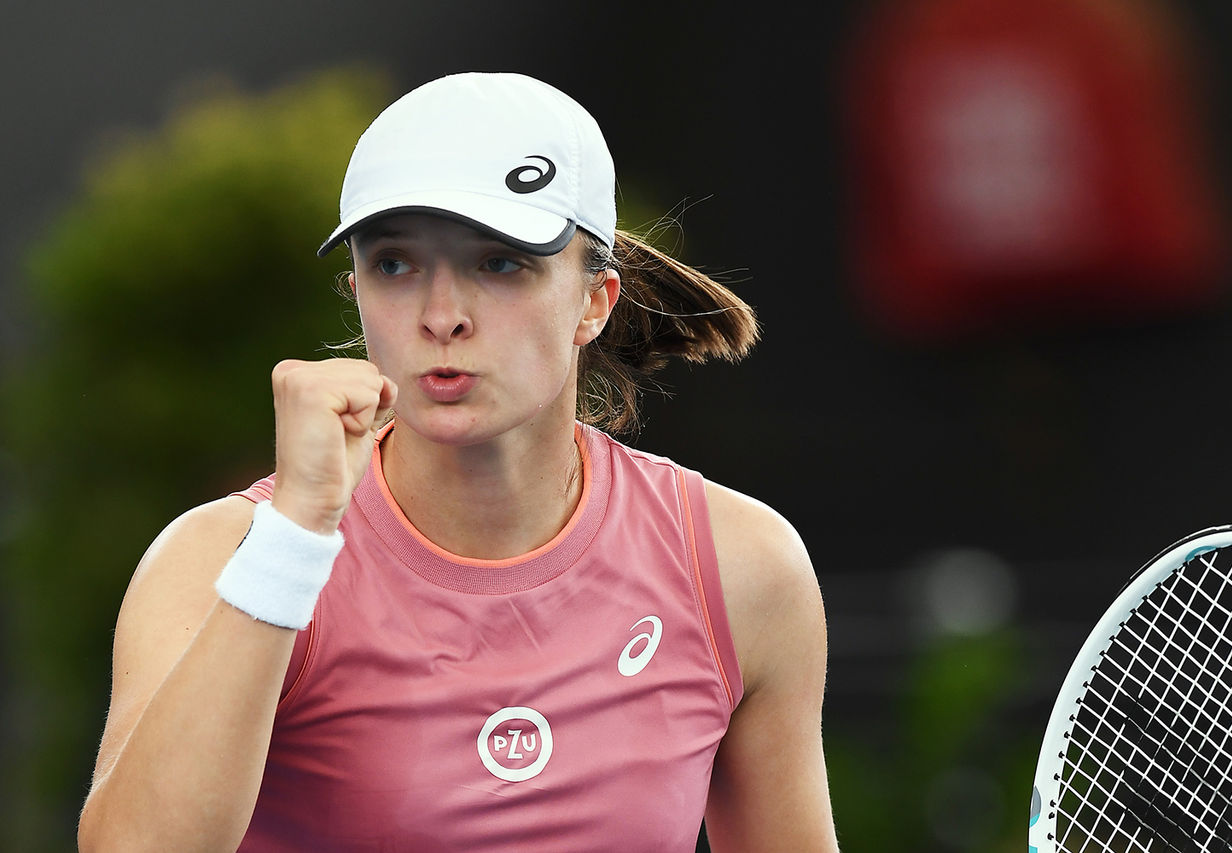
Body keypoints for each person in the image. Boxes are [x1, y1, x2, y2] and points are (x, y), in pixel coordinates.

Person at [77, 71, 838, 852]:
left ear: (594, 301)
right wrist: (293, 540)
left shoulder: (743, 567)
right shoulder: (220, 558)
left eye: (500, 263)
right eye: (396, 265)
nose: (442, 316)